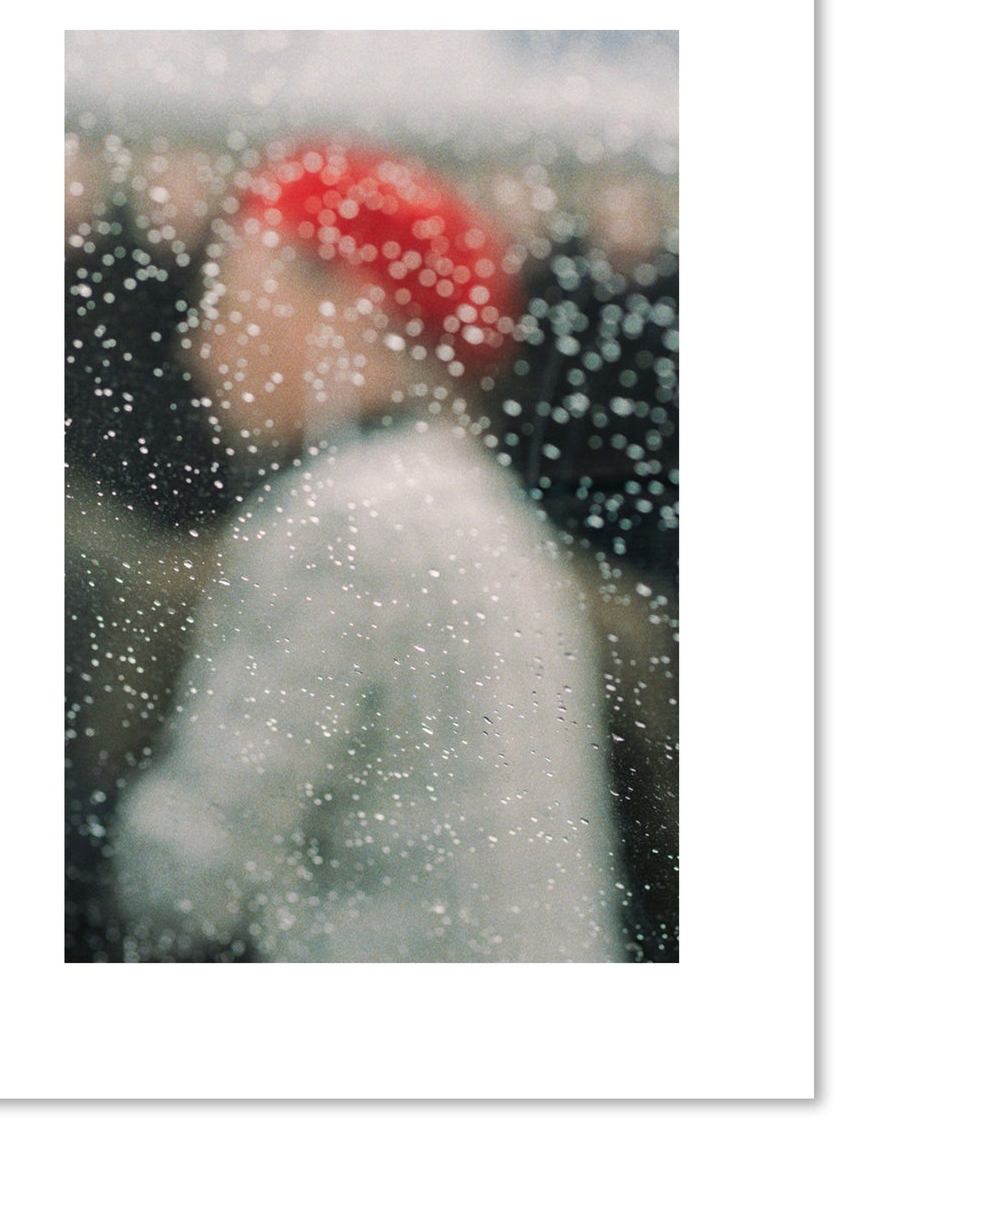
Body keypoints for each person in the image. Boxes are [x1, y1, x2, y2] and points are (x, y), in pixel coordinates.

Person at [112, 142, 624, 961]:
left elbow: (189, 879)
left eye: (227, 301)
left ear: (346, 309)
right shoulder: (475, 506)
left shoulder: (347, 520)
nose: (199, 346)